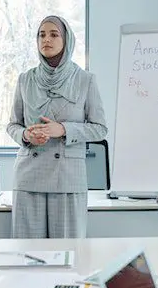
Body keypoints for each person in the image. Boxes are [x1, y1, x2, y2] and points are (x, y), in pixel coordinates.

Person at [7, 15, 108, 239]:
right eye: (41, 35)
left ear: (67, 40)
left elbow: (100, 128)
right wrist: (25, 134)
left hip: (67, 179)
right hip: (28, 177)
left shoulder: (85, 80)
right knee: (27, 257)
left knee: (68, 257)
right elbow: (13, 124)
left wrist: (64, 129)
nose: (46, 40)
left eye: (54, 34)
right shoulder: (25, 79)